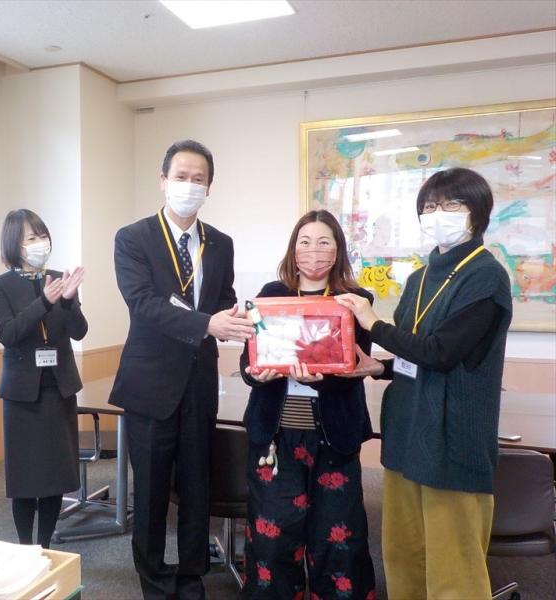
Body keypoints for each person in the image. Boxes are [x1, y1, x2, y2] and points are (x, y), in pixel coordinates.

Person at [335, 167, 512, 599]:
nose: (438, 214)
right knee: (403, 555)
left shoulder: (486, 276)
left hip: (452, 441)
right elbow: (415, 355)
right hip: (406, 433)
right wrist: (379, 369)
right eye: (430, 206)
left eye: (452, 204)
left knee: (454, 567)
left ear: (477, 213)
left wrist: (372, 323)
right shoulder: (419, 278)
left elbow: (441, 352)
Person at [111, 139, 253, 600]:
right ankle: (153, 581)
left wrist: (235, 317)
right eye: (181, 177)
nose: (189, 186)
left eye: (198, 179)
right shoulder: (133, 238)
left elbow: (222, 298)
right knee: (152, 492)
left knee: (197, 487)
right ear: (163, 180)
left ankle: (192, 579)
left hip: (199, 383)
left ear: (209, 187)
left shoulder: (220, 243)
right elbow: (143, 303)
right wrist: (207, 323)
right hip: (149, 384)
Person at [239, 210, 377, 599]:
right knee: (274, 535)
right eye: (305, 242)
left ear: (337, 250)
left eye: (323, 242)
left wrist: (325, 376)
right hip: (276, 435)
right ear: (293, 248)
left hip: (334, 434)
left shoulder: (356, 300)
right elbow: (250, 362)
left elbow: (357, 365)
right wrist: (258, 373)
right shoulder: (270, 295)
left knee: (338, 536)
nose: (313, 251)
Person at [0, 209, 87, 548]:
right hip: (22, 395)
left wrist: (69, 301)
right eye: (31, 237)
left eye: (42, 235)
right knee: (25, 478)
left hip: (59, 388)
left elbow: (79, 331)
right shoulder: (0, 285)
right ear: (14, 244)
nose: (40, 243)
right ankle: (24, 546)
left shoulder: (60, 278)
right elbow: (8, 333)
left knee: (54, 477)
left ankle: (44, 547)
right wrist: (44, 302)